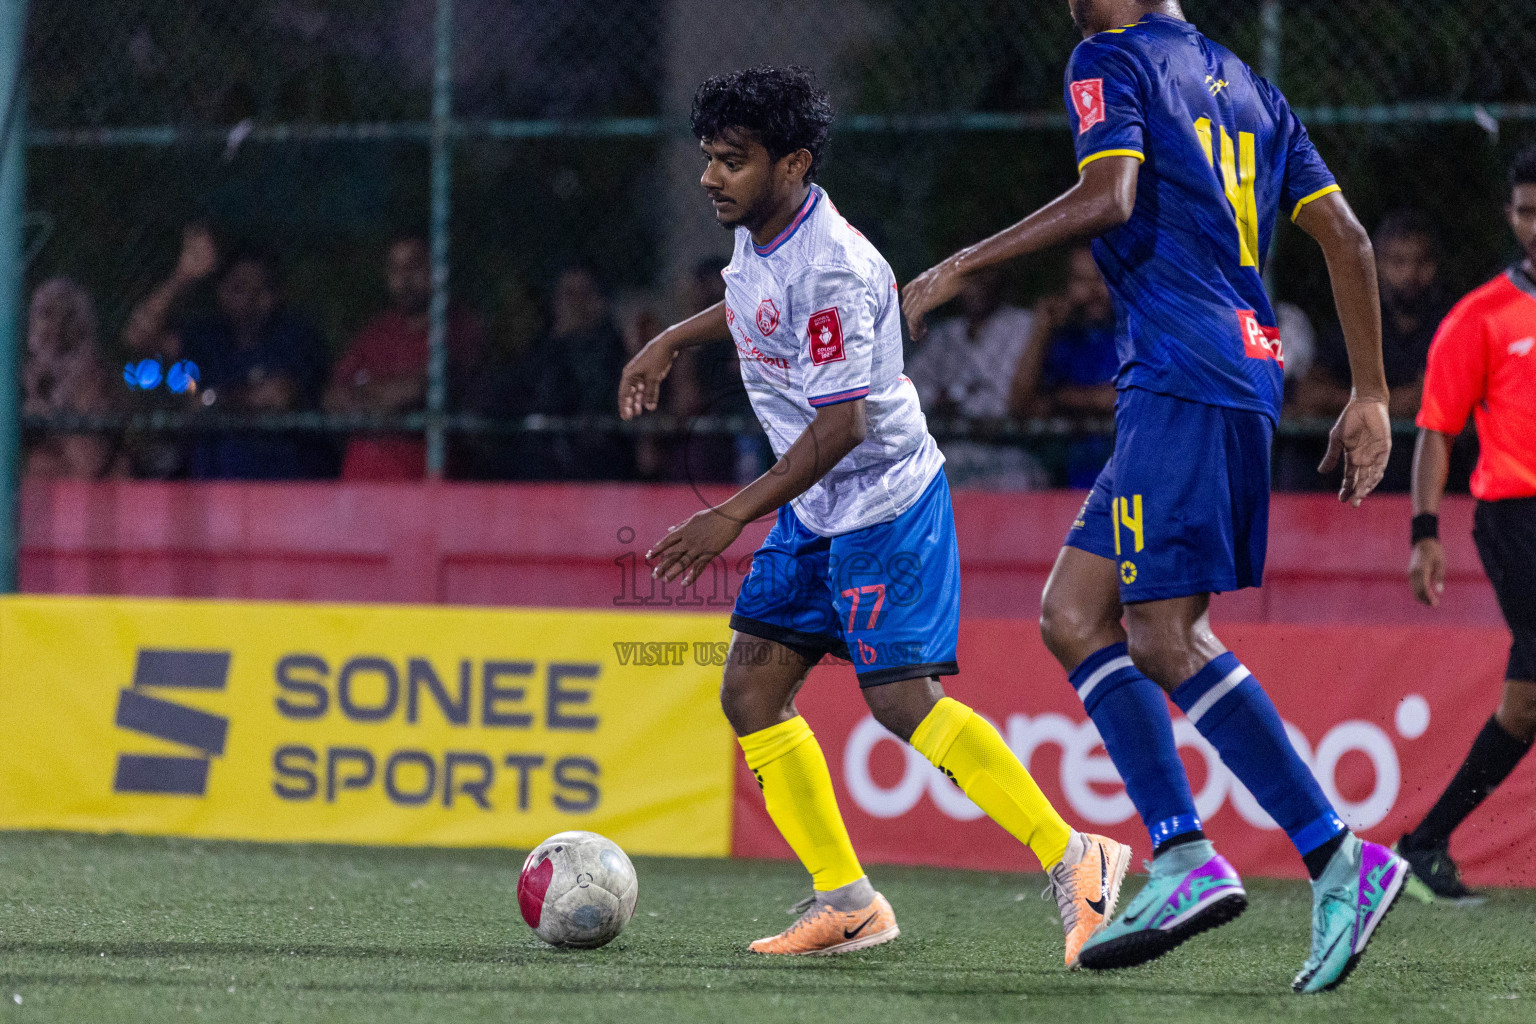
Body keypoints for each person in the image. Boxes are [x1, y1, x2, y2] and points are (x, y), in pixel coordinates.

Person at [903, 0, 1405, 994]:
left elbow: (1110, 196)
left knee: (1165, 635)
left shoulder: (1108, 56)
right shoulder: (1253, 89)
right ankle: (1184, 850)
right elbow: (1346, 238)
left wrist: (961, 263)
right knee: (1072, 613)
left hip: (1185, 372)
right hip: (1229, 367)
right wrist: (1372, 392)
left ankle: (1336, 853)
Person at [618, 65, 1131, 965]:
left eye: (731, 162)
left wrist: (730, 517)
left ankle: (1074, 856)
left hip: (884, 502)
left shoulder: (838, 269)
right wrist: (668, 339)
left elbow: (844, 425)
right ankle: (849, 905)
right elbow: (750, 305)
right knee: (750, 692)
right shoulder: (764, 231)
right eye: (708, 158)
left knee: (900, 699)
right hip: (814, 507)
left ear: (793, 164)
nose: (710, 178)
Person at [1398, 147, 1536, 902]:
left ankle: (1424, 843)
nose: (1535, 226)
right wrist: (1425, 530)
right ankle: (1422, 844)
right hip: (1516, 519)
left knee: (1525, 704)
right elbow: (1436, 430)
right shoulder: (1480, 317)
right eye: (1525, 211)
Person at [124, 225, 330, 479]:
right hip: (213, 487)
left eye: (261, 289)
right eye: (239, 288)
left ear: (276, 294)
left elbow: (279, 396)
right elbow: (139, 336)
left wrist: (213, 400)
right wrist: (182, 277)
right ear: (221, 292)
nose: (251, 300)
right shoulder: (209, 336)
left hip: (282, 487)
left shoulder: (295, 335)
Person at [1294, 211, 1448, 489]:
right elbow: (1308, 394)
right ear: (1377, 264)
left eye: (1421, 262)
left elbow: (1440, 401)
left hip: (1429, 468)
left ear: (1436, 266)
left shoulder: (1451, 323)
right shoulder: (1356, 320)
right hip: (1356, 467)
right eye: (1398, 262)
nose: (1410, 273)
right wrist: (1374, 404)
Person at [323, 234, 482, 480]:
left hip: (421, 489)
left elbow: (416, 389)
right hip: (360, 492)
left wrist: (364, 392)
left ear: (437, 269)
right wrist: (381, 398)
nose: (403, 278)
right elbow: (333, 397)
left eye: (414, 266)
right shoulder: (376, 329)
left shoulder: (458, 326)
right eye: (395, 269)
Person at [905, 265, 1047, 489]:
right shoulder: (945, 335)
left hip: (1010, 451)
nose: (977, 285)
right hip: (953, 451)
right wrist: (940, 398)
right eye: (968, 277)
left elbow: (1011, 403)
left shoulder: (1024, 324)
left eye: (984, 274)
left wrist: (959, 399)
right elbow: (910, 392)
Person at [1009, 244, 1119, 487]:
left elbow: (1123, 398)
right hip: (1067, 486)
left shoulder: (1133, 332)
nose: (1092, 291)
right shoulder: (1063, 340)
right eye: (1081, 280)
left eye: (1101, 279)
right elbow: (1021, 404)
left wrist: (1059, 399)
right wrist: (1042, 328)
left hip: (1129, 481)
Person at [22, 278, 123, 479]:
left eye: (68, 316)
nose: (56, 326)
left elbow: (87, 464)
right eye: (46, 314)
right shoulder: (21, 375)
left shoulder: (92, 375)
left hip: (83, 493)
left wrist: (48, 416)